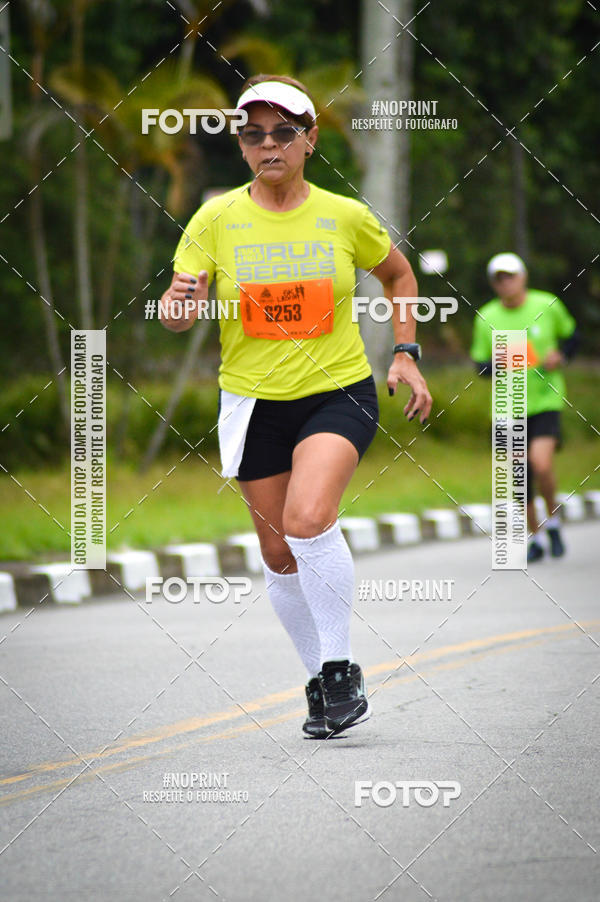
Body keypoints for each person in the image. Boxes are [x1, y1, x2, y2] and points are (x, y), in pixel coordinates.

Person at [160, 74, 432, 737]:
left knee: (309, 518)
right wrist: (175, 309)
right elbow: (177, 306)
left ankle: (340, 672)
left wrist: (405, 351)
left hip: (337, 392)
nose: (267, 144)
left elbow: (398, 274)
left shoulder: (344, 215)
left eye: (283, 131)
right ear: (243, 147)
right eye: (253, 134)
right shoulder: (215, 219)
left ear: (309, 140)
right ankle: (318, 675)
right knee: (279, 552)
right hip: (252, 404)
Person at [470, 252, 579, 563]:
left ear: (523, 277)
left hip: (545, 399)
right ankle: (537, 536)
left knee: (541, 464)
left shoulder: (547, 305)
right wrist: (499, 363)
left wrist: (562, 357)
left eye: (510, 276)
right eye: (499, 278)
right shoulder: (486, 317)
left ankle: (554, 521)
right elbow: (479, 366)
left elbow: (572, 338)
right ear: (493, 284)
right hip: (508, 404)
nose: (506, 283)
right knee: (521, 475)